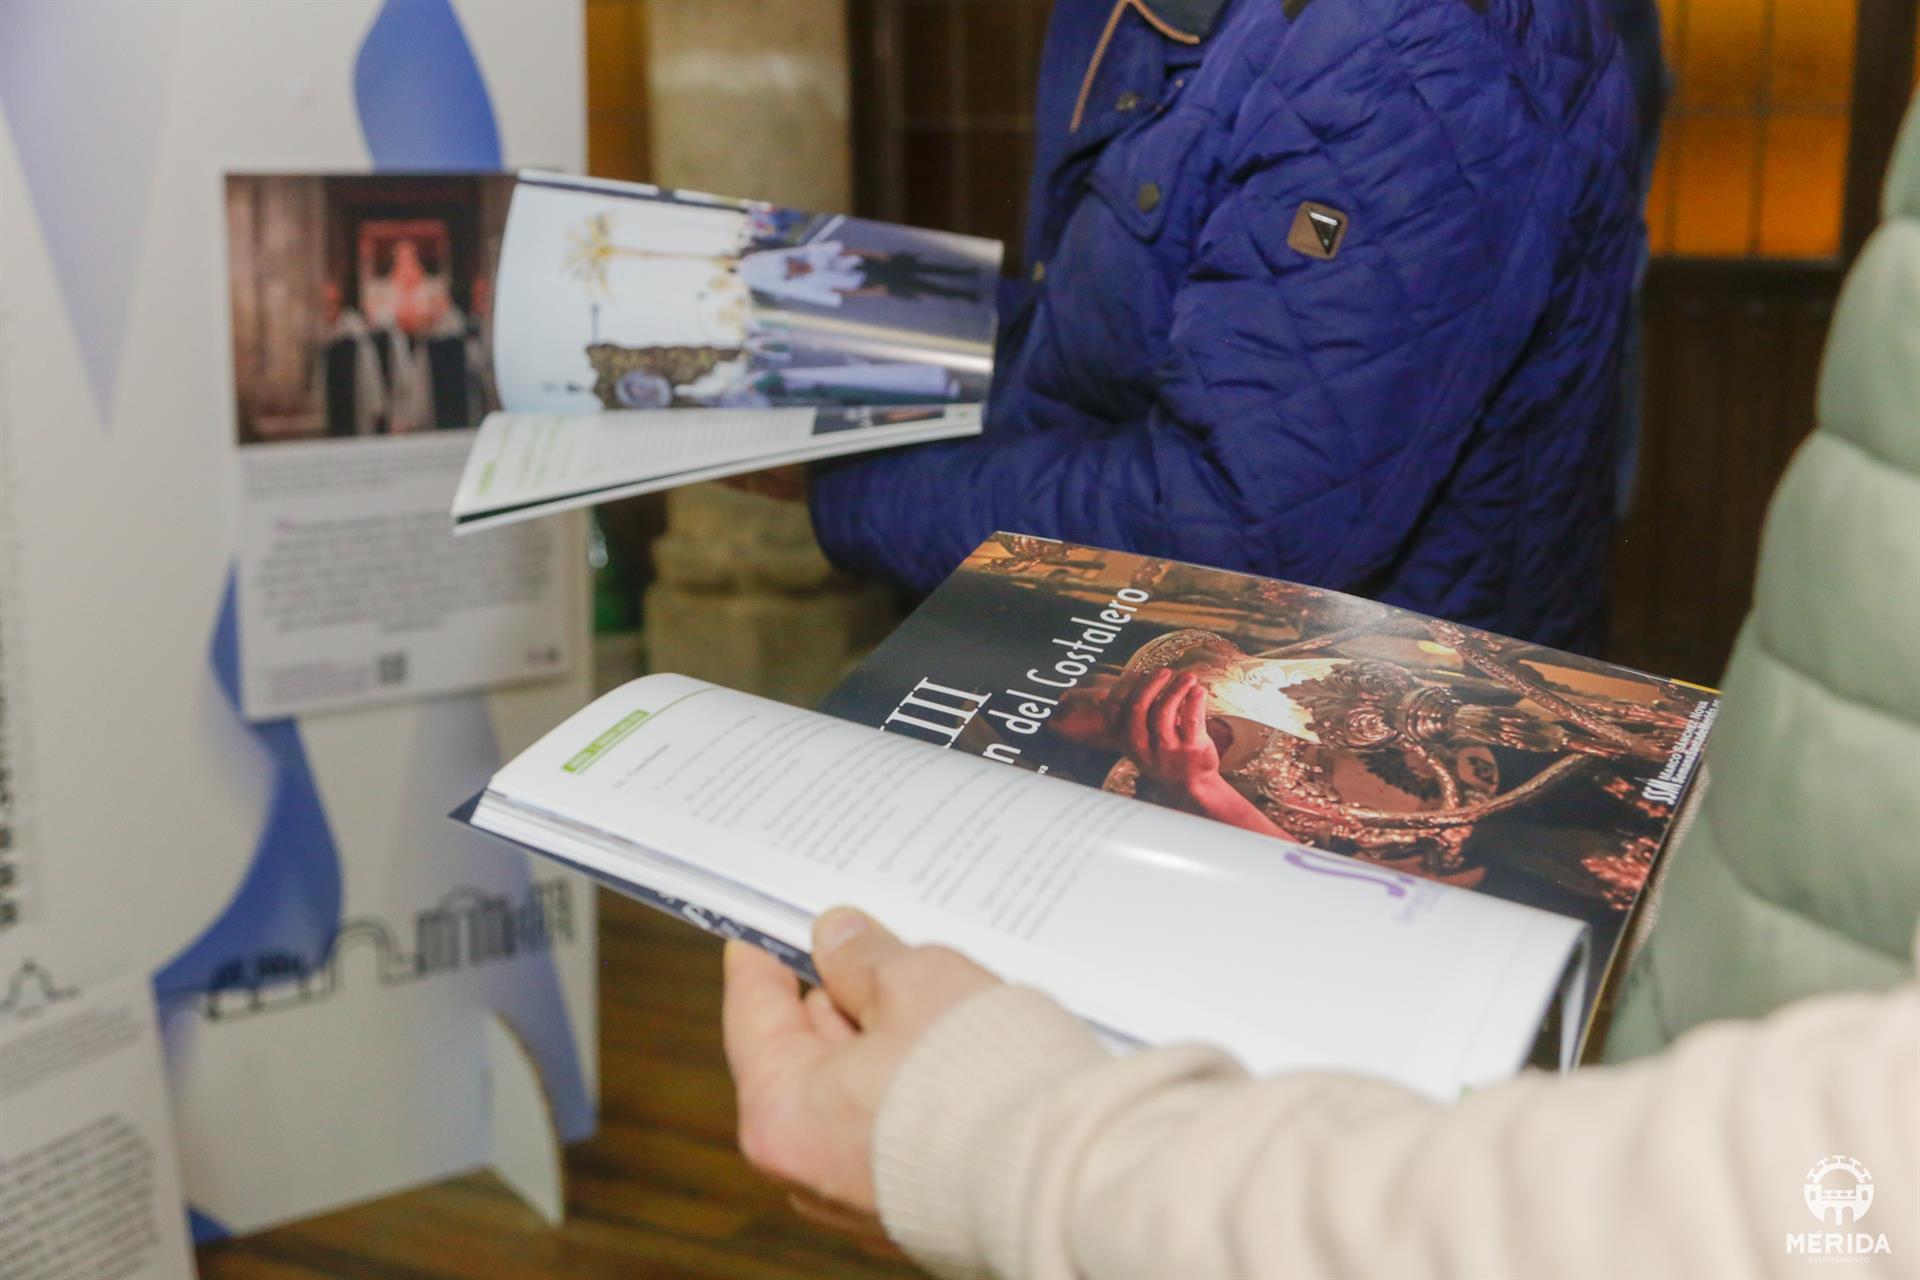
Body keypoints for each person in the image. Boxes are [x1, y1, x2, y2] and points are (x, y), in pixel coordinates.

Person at [718, 94, 1920, 1279]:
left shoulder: (1418, 56)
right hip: (1734, 945)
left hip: (1615, 1033)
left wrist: (1022, 1153)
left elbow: (1245, 501)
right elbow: (1105, 322)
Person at [802, 0, 1648, 653]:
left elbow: (1234, 536)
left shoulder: (1408, 42)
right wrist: (808, 330)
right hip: (1164, 676)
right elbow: (1117, 310)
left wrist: (846, 485)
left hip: (1344, 740)